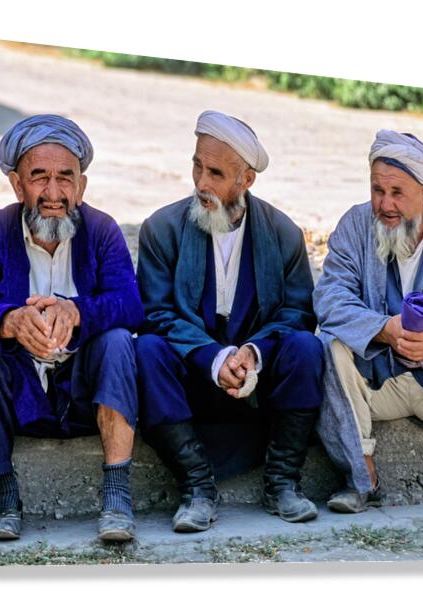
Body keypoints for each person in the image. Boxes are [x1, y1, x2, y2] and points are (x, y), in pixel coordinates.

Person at [0, 114, 143, 542]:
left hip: (82, 390)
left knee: (119, 341)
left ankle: (116, 493)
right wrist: (8, 320)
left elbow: (130, 304)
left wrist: (79, 312)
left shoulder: (102, 230)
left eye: (65, 178)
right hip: (19, 390)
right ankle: (3, 495)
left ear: (81, 186)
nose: (54, 193)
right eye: (39, 178)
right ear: (17, 186)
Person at [136, 110, 324, 531]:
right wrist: (215, 360)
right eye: (197, 166)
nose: (201, 182)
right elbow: (156, 314)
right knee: (146, 350)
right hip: (191, 382)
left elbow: (298, 314)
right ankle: (197, 487)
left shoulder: (284, 234)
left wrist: (252, 354)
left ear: (246, 180)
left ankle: (283, 484)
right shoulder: (161, 229)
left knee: (307, 349)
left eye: (216, 172)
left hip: (257, 389)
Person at [314, 130, 423, 513]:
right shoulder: (355, 225)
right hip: (381, 382)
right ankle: (362, 478)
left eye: (397, 193)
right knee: (330, 344)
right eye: (378, 190)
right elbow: (329, 297)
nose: (385, 204)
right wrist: (382, 329)